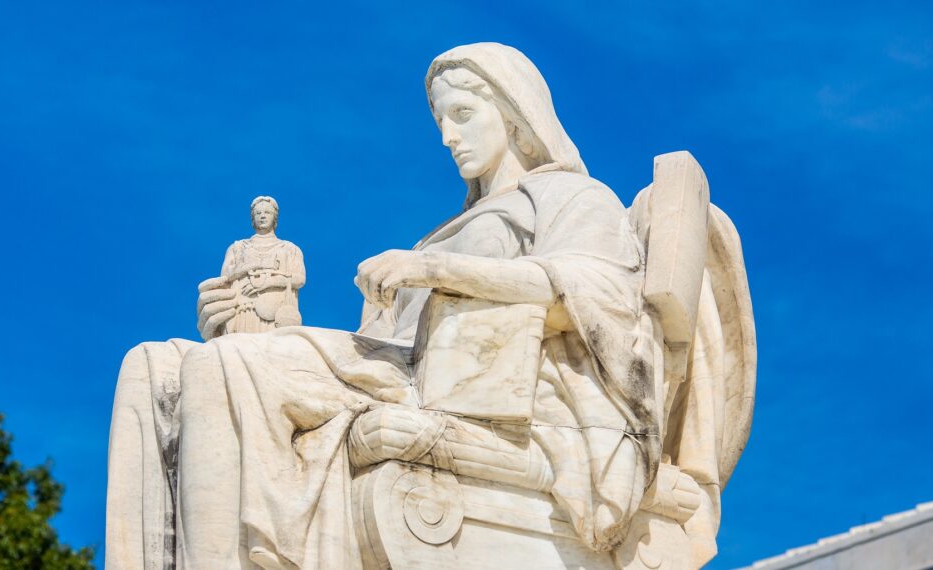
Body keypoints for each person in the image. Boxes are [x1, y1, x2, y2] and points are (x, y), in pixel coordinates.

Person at [177, 42, 663, 570]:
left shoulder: (572, 196)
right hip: (397, 372)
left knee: (222, 368)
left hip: (471, 389)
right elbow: (375, 342)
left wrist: (435, 270)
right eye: (441, 122)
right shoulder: (433, 238)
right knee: (164, 368)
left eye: (463, 113)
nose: (448, 136)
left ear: (515, 114)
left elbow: (598, 291)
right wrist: (244, 324)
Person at [200, 196, 305, 336]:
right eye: (258, 213)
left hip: (276, 313)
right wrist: (247, 267)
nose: (262, 216)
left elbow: (299, 279)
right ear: (253, 218)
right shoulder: (237, 247)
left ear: (274, 217)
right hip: (242, 312)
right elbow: (225, 279)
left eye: (267, 212)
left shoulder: (289, 248)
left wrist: (268, 282)